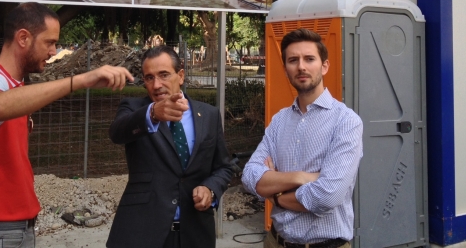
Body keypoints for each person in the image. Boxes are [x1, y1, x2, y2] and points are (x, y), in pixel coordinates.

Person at [0, 3, 133, 248]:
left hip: (5, 230)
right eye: (49, 42)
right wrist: (78, 81)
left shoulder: (13, 86)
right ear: (23, 38)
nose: (54, 51)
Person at [242, 29, 363, 248]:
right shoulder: (279, 121)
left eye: (309, 59)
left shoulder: (346, 122)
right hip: (274, 242)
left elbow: (326, 197)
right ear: (285, 69)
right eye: (293, 60)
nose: (301, 67)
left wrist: (276, 194)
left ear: (324, 65)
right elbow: (251, 177)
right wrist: (302, 177)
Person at [107, 45, 232, 248]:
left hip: (195, 234)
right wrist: (153, 114)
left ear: (180, 76)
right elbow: (117, 132)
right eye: (149, 78)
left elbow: (224, 167)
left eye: (164, 75)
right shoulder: (134, 110)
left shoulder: (208, 115)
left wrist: (211, 188)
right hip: (142, 233)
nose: (156, 85)